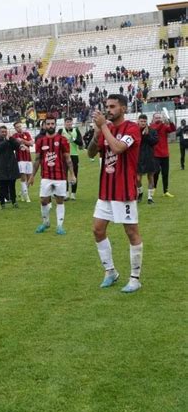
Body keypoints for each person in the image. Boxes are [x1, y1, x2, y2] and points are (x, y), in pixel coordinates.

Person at [87, 94, 143, 293]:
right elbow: (91, 153)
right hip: (106, 191)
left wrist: (103, 127)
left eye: (112, 106)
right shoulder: (106, 129)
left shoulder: (132, 128)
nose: (108, 109)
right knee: (97, 230)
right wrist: (96, 134)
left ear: (124, 108)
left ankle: (135, 278)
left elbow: (119, 148)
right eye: (107, 106)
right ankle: (110, 272)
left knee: (131, 232)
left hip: (124, 191)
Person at [30, 116, 75, 235]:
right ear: (45, 125)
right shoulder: (40, 141)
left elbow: (68, 158)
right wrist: (32, 176)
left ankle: (60, 226)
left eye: (52, 124)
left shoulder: (62, 140)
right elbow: (37, 159)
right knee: (43, 200)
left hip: (60, 176)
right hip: (46, 176)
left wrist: (72, 174)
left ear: (55, 125)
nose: (50, 126)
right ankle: (46, 223)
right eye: (48, 124)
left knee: (60, 201)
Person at [0, 125, 20, 209]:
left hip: (11, 165)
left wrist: (11, 139)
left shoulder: (10, 140)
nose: (4, 133)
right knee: (1, 186)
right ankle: (2, 203)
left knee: (12, 185)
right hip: (1, 166)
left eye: (5, 132)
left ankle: (14, 201)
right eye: (2, 132)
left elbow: (17, 146)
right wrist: (6, 141)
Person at [150, 112, 176, 197]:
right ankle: (153, 188)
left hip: (165, 154)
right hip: (155, 154)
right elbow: (156, 129)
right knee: (156, 172)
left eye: (159, 117)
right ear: (153, 119)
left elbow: (172, 129)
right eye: (156, 118)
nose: (158, 119)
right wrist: (163, 122)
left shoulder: (164, 126)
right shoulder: (151, 127)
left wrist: (170, 121)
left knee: (165, 173)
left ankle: (165, 191)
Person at [58, 117, 83, 200]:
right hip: (64, 155)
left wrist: (73, 139)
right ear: (65, 123)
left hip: (74, 155)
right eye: (67, 122)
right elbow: (56, 142)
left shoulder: (76, 130)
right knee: (64, 174)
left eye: (70, 122)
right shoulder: (61, 131)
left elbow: (80, 143)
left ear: (72, 123)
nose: (68, 124)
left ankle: (73, 193)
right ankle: (66, 193)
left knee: (74, 174)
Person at [136, 114, 159, 204]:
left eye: (144, 121)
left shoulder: (152, 131)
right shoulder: (134, 131)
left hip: (150, 157)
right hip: (138, 157)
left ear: (147, 122)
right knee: (137, 179)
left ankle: (150, 198)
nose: (143, 123)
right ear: (138, 121)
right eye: (141, 121)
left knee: (150, 177)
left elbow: (155, 142)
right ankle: (140, 192)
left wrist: (147, 134)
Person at [13, 121, 34, 203]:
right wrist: (24, 143)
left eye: (20, 126)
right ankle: (26, 196)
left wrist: (22, 140)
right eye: (17, 127)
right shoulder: (14, 136)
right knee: (23, 177)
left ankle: (22, 193)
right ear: (15, 128)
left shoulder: (27, 134)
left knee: (30, 178)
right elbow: (15, 144)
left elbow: (31, 143)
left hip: (28, 158)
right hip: (20, 159)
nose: (19, 128)